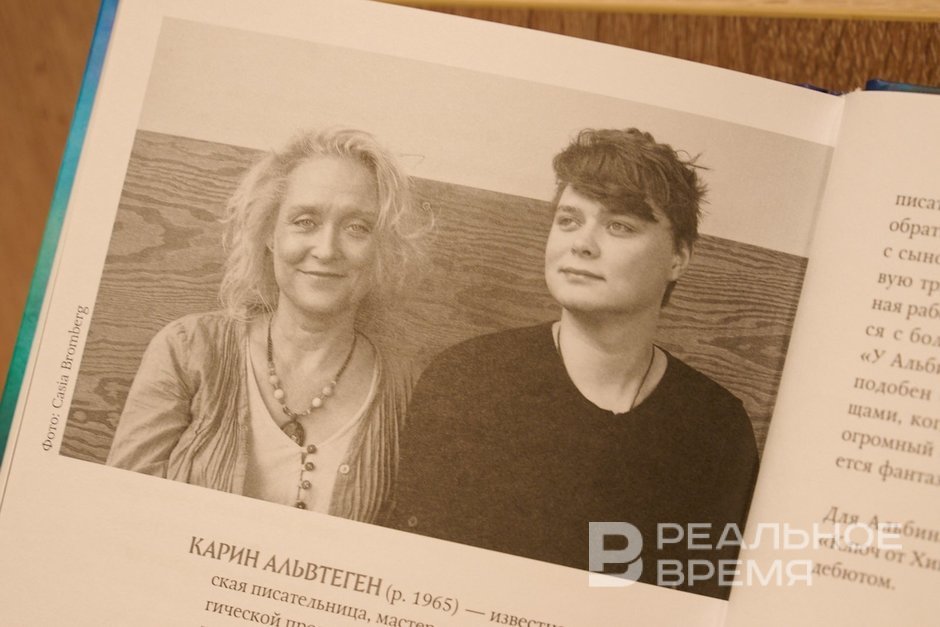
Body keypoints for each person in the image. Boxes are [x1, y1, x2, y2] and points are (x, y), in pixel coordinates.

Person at [388, 128, 759, 599]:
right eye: (568, 220)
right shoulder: (466, 379)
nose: (582, 243)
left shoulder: (718, 426)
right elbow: (415, 579)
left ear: (678, 258)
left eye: (619, 225)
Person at [108, 127, 426, 523]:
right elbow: (120, 514)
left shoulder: (411, 392)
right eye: (305, 221)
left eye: (357, 227)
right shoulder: (186, 349)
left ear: (382, 247)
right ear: (270, 234)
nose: (327, 249)